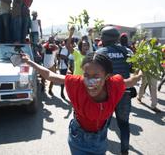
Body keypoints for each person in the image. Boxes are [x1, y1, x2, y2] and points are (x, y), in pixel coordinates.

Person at [20, 51, 142, 155]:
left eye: (96, 76)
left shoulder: (114, 84)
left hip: (101, 138)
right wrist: (30, 62)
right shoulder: (76, 83)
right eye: (86, 75)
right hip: (78, 139)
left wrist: (142, 71)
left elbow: (131, 81)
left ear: (106, 76)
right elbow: (50, 75)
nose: (90, 81)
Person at [97, 26, 134, 155]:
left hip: (106, 95)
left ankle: (100, 148)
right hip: (124, 93)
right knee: (124, 124)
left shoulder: (100, 52)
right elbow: (134, 70)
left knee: (104, 124)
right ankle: (125, 152)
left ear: (104, 38)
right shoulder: (127, 51)